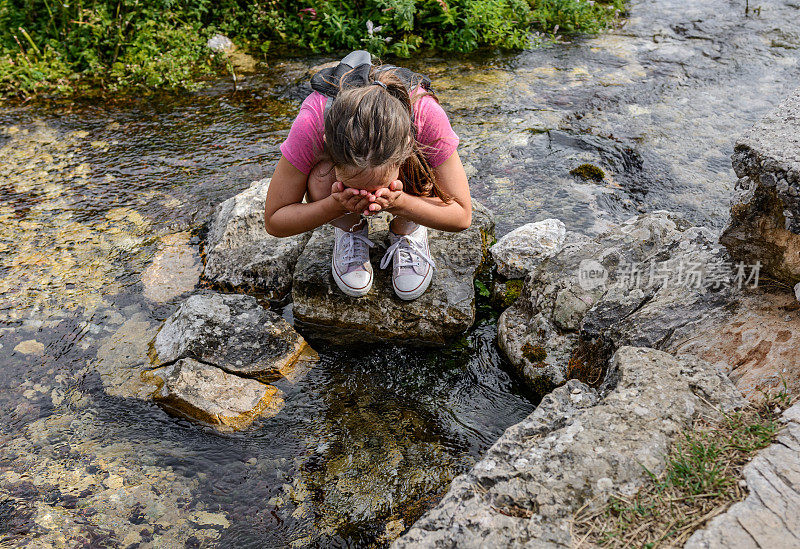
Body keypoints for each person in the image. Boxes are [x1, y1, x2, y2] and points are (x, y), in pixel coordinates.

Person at [263, 52, 471, 300]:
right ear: (328, 143)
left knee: (422, 167)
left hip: (409, 163)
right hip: (336, 190)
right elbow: (274, 220)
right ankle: (350, 229)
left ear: (405, 143)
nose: (371, 200)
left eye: (377, 187)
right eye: (357, 187)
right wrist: (335, 205)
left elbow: (461, 215)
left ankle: (407, 230)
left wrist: (401, 202)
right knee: (321, 176)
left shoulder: (424, 114)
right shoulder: (313, 121)